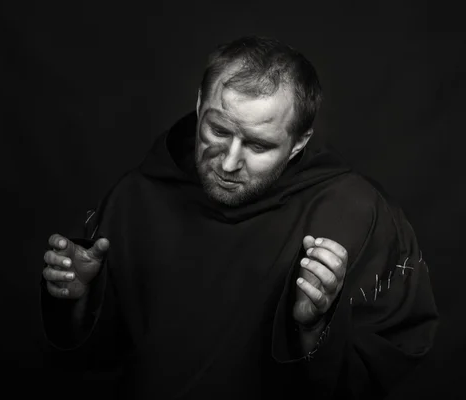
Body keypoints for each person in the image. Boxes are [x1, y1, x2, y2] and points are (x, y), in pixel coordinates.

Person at [40, 36, 439, 399]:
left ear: (300, 142)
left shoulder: (358, 213)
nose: (229, 162)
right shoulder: (135, 196)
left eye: (258, 145)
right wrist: (79, 300)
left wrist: (315, 327)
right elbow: (100, 360)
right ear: (199, 105)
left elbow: (391, 361)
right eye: (218, 130)